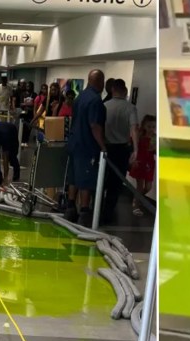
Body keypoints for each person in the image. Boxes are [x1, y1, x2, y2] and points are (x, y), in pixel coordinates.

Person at [64, 69, 107, 227]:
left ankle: (70, 207)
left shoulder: (79, 97)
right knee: (86, 180)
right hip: (87, 146)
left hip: (74, 144)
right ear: (99, 82)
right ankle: (84, 211)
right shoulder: (95, 100)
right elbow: (95, 125)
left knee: (74, 176)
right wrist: (103, 146)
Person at [102, 79, 139, 222]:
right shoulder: (130, 108)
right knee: (116, 183)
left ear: (112, 90)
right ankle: (108, 213)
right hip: (121, 149)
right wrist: (136, 150)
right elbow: (134, 128)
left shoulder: (104, 106)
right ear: (124, 90)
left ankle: (96, 208)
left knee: (102, 179)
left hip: (105, 148)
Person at [129, 115, 156, 216]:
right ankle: (136, 205)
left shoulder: (154, 137)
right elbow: (134, 147)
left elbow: (154, 151)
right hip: (140, 162)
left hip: (149, 163)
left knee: (148, 187)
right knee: (139, 185)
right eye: (149, 126)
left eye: (153, 127)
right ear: (144, 126)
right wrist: (133, 159)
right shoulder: (140, 136)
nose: (151, 129)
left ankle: (137, 199)